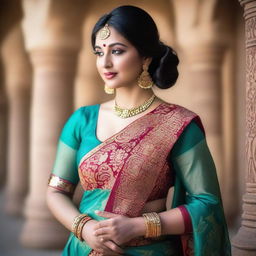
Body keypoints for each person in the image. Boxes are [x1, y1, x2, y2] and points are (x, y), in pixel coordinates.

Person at [46, 5, 231, 256]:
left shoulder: (178, 124)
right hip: (82, 248)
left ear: (146, 57)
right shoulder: (82, 120)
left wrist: (138, 226)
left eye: (117, 51)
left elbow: (206, 203)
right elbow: (57, 191)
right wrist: (85, 228)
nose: (105, 63)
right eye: (99, 52)